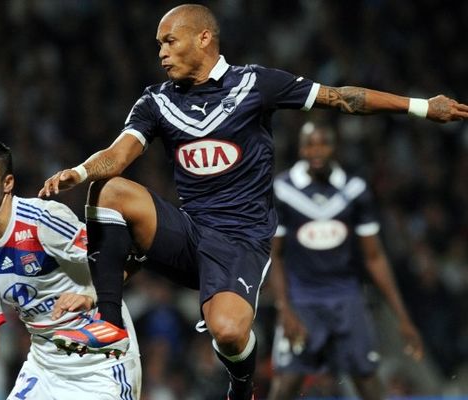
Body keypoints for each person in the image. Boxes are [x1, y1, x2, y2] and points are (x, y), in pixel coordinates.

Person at [38, 4, 468, 399]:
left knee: (227, 333)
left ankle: (242, 382)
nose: (162, 53)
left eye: (170, 41)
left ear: (204, 38)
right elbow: (116, 155)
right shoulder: (156, 101)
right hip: (189, 231)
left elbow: (341, 98)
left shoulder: (257, 85)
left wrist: (419, 106)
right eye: (158, 45)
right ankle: (109, 321)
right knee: (108, 189)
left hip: (242, 240)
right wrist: (77, 173)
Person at [0, 138, 141, 400]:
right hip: (45, 370)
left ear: (8, 183)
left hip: (101, 366)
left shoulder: (43, 220)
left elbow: (127, 255)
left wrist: (93, 296)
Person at [267, 121, 424, 400]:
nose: (316, 150)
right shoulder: (283, 190)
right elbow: (275, 255)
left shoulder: (355, 190)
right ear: (300, 148)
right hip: (303, 300)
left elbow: (374, 257)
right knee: (286, 384)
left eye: (323, 143)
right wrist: (284, 310)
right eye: (309, 144)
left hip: (347, 297)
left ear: (335, 147)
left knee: (367, 380)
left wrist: (403, 317)